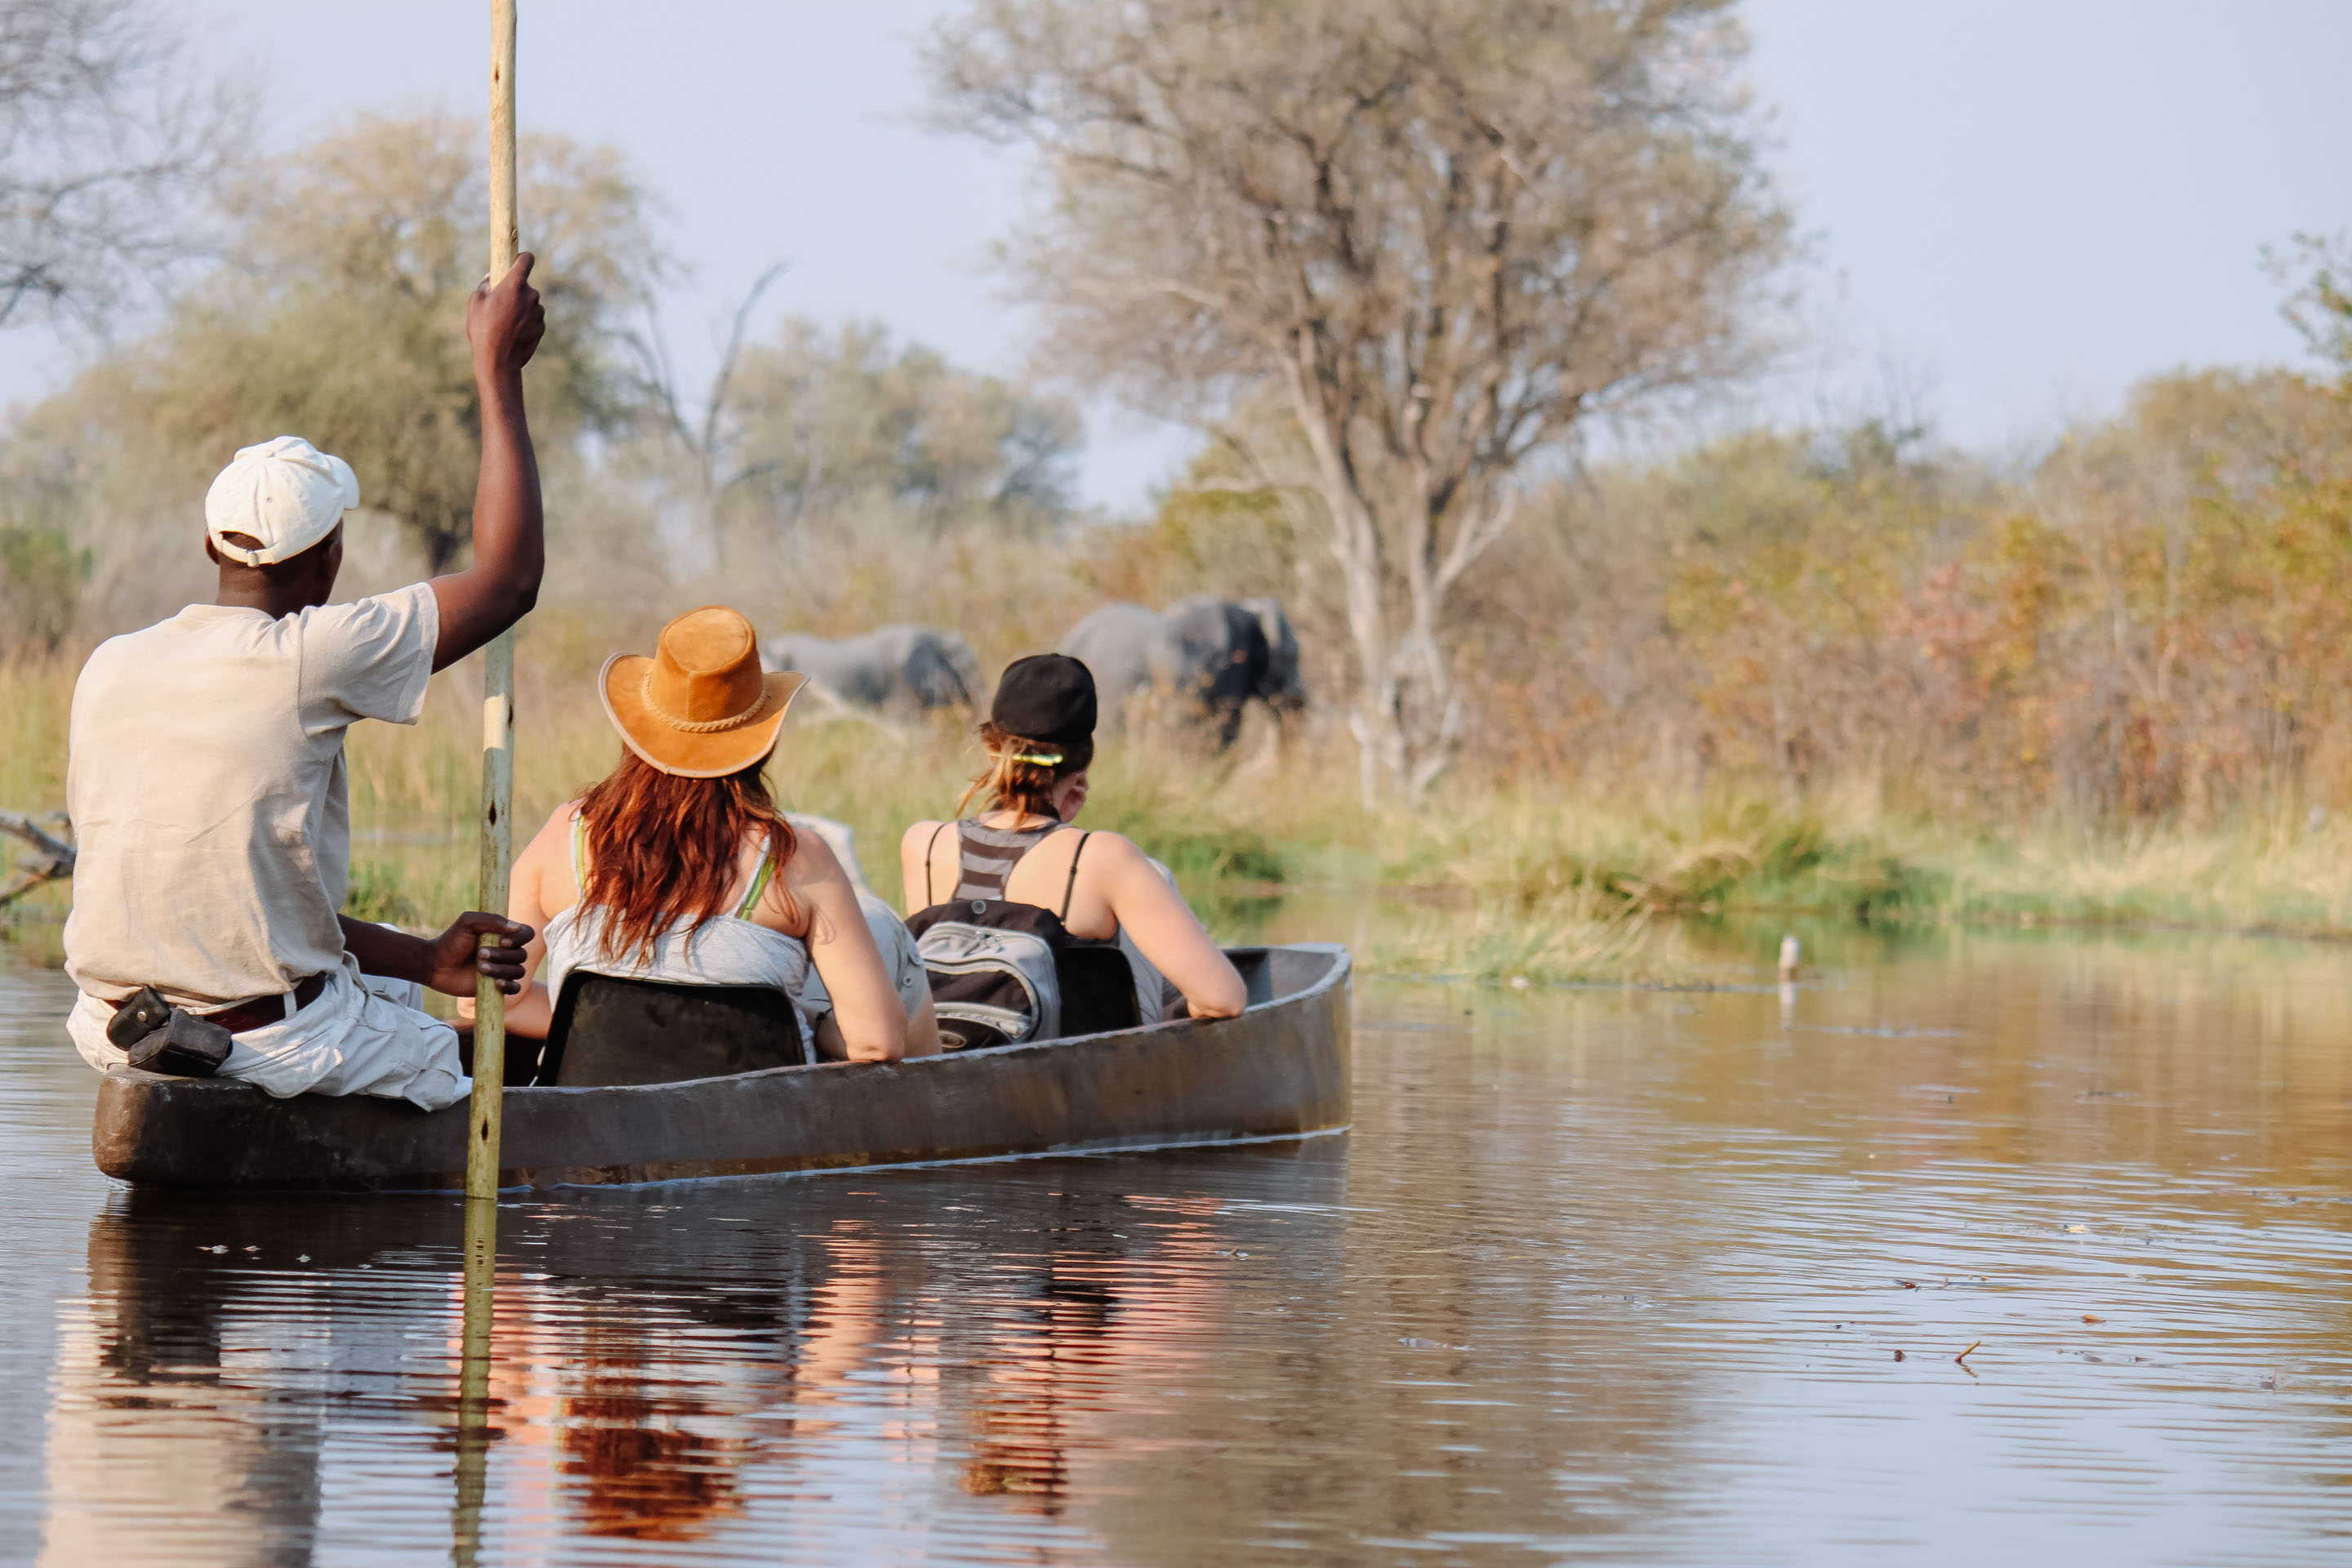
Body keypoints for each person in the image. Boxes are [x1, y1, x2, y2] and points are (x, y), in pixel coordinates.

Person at [61, 257, 550, 1111]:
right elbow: (508, 581)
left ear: (212, 546)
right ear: (329, 559)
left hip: (113, 1026)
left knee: (400, 979)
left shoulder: (112, 662)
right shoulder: (313, 653)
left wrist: (428, 962)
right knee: (496, 1074)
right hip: (271, 1045)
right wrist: (496, 370)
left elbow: (244, 904)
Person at [474, 604, 938, 1067]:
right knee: (893, 946)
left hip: (590, 1120)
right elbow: (877, 1043)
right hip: (757, 1129)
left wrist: (613, 1028)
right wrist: (805, 1023)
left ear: (637, 729)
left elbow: (485, 1000)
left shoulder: (564, 834)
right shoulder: (797, 857)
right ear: (761, 740)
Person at [899, 653, 1247, 1027]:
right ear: (1082, 762)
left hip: (955, 1050)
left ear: (991, 748)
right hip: (1065, 1066)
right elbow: (1223, 1000)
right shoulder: (1102, 858)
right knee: (1154, 875)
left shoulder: (925, 845)